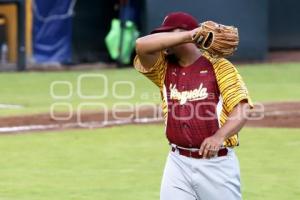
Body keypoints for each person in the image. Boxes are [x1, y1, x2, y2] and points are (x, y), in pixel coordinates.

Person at [134, 12, 253, 200]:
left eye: (167, 34)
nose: (163, 40)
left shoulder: (220, 67)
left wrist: (219, 136)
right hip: (177, 163)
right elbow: (141, 45)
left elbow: (242, 109)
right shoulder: (162, 68)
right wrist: (189, 35)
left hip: (216, 165)